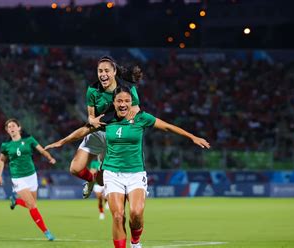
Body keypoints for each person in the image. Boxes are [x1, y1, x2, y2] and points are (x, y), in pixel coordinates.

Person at [46, 86, 210, 248]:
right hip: (112, 173)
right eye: (119, 101)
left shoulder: (141, 118)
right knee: (118, 216)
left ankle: (135, 242)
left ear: (132, 102)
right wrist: (61, 142)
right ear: (114, 102)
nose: (123, 104)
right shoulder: (106, 119)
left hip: (136, 174)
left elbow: (168, 126)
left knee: (136, 214)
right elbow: (83, 131)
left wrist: (192, 137)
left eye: (126, 101)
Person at [70, 56, 142, 198]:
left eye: (106, 71)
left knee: (102, 181)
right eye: (100, 71)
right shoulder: (92, 90)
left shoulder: (128, 89)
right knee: (75, 168)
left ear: (114, 72)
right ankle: (90, 181)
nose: (103, 74)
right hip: (97, 133)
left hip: (114, 136)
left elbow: (136, 110)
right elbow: (90, 116)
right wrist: (92, 120)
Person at [0, 118, 56, 241]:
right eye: (9, 127)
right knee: (33, 205)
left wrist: (49, 158)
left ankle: (16, 201)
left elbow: (41, 150)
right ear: (7, 131)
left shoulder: (29, 140)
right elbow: (1, 160)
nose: (11, 128)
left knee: (32, 204)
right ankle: (46, 232)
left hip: (31, 176)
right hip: (18, 178)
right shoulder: (6, 145)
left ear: (19, 128)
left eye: (13, 126)